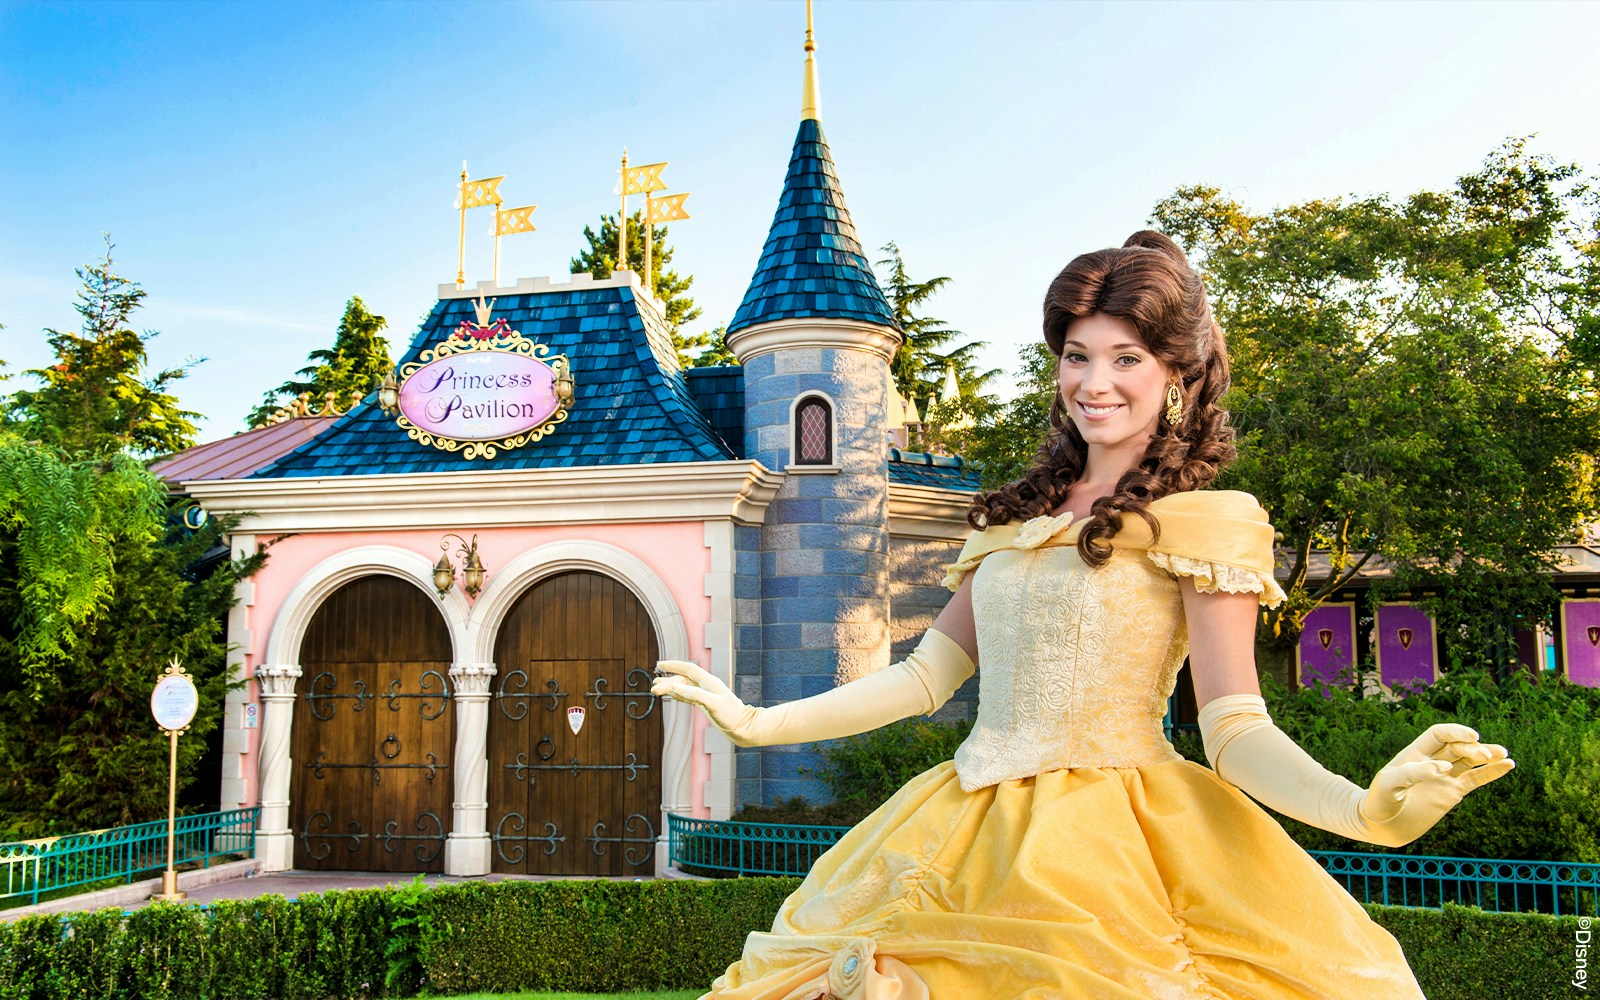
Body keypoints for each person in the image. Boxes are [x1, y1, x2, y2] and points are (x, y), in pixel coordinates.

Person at [652, 231, 1514, 1000]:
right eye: (1077, 355)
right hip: (963, 826)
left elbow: (1234, 728)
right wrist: (759, 721)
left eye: (1126, 357)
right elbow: (923, 678)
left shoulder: (1203, 523)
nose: (1094, 383)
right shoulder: (1010, 522)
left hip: (1114, 845)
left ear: (1175, 375)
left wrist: (1361, 812)